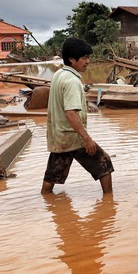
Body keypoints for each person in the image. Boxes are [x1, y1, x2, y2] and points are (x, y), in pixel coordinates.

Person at [41, 37, 114, 195]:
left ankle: (46, 201)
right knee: (104, 163)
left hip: (59, 136)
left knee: (53, 175)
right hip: (73, 136)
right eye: (84, 58)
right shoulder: (72, 81)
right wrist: (86, 139)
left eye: (88, 57)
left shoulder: (59, 74)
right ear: (72, 60)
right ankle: (109, 203)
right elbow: (71, 112)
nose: (88, 61)